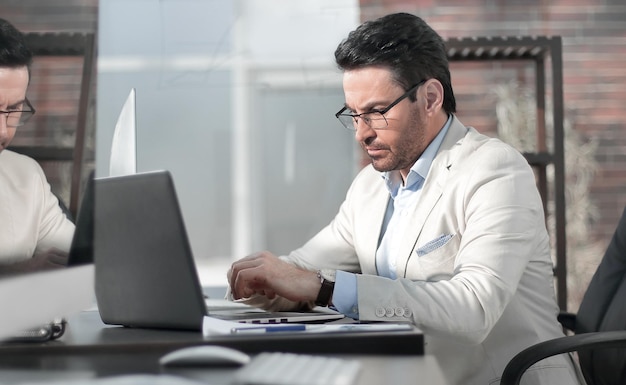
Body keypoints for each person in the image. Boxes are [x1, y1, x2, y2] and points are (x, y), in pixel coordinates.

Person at [227, 13, 580, 385]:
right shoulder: (369, 186)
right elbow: (301, 269)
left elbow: (473, 308)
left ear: (429, 98)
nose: (361, 133)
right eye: (354, 114)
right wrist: (261, 279)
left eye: (376, 112)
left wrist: (323, 287)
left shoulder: (495, 170)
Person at [0, 18, 74, 276]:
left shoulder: (26, 176)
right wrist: (20, 275)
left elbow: (79, 258)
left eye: (13, 109)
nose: (3, 130)